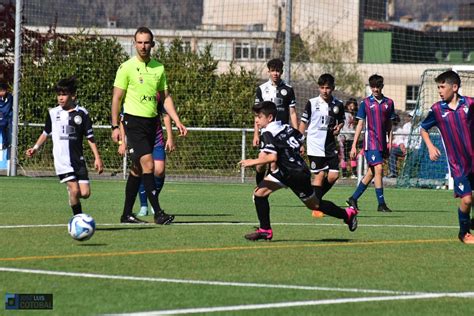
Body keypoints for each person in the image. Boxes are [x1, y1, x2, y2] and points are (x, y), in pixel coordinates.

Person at [239, 101, 358, 241]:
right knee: (259, 194)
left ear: (269, 118)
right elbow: (299, 138)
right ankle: (265, 230)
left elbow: (272, 156)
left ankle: (348, 214)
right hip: (287, 171)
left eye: (259, 117)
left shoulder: (268, 133)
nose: (256, 120)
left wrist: (252, 161)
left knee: (315, 205)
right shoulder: (285, 127)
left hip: (296, 174)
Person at [111, 26, 187, 225]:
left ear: (152, 44)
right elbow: (116, 99)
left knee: (137, 169)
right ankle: (158, 213)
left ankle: (126, 214)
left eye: (147, 42)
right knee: (148, 165)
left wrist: (177, 120)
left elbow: (165, 98)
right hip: (133, 122)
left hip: (152, 123)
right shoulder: (126, 67)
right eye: (140, 42)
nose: (143, 46)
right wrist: (115, 127)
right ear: (134, 43)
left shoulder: (159, 68)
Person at [26, 77, 104, 215]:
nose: (60, 98)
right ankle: (78, 218)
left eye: (64, 94)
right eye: (59, 94)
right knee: (75, 190)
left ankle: (73, 195)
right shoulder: (53, 113)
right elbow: (46, 133)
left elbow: (90, 137)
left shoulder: (82, 114)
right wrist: (35, 148)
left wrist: (97, 158)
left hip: (78, 160)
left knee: (85, 193)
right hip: (62, 160)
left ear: (73, 95)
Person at [420, 70, 474, 244]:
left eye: (442, 87)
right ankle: (463, 233)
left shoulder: (470, 104)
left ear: (455, 87)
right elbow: (423, 128)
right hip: (458, 165)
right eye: (438, 87)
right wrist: (430, 146)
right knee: (466, 200)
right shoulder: (437, 109)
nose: (440, 90)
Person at [118, 95, 176, 216]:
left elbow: (166, 114)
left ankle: (154, 201)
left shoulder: (156, 95)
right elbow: (122, 121)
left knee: (159, 170)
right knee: (142, 169)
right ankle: (144, 206)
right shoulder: (131, 97)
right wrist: (122, 142)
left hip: (156, 139)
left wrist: (170, 137)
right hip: (139, 139)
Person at [346, 74, 396, 212]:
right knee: (379, 169)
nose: (375, 89)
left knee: (371, 173)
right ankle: (381, 204)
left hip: (382, 143)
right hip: (371, 142)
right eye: (373, 86)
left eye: (378, 86)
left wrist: (390, 143)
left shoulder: (389, 103)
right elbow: (360, 125)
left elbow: (389, 125)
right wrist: (354, 145)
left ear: (382, 87)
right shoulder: (366, 103)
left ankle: (353, 198)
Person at [298, 73, 344, 218]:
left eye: (328, 88)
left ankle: (314, 199)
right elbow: (303, 123)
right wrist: (300, 141)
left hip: (330, 145)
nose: (325, 91)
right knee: (320, 175)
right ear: (319, 88)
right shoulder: (312, 103)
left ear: (333, 88)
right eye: (322, 88)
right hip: (314, 144)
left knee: (333, 176)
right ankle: (316, 208)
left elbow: (341, 120)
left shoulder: (338, 104)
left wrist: (339, 127)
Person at [253, 58, 298, 185]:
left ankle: (262, 192)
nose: (275, 73)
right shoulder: (261, 89)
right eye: (273, 71)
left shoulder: (288, 89)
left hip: (281, 134)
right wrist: (256, 134)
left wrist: (296, 133)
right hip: (266, 133)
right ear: (268, 72)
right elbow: (257, 114)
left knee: (274, 164)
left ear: (282, 72)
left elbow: (293, 113)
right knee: (261, 163)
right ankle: (259, 185)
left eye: (278, 71)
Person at [339, 98, 358, 179]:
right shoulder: (344, 114)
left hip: (351, 137)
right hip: (343, 137)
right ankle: (344, 174)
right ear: (347, 106)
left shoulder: (356, 115)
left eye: (352, 106)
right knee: (343, 156)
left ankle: (354, 173)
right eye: (349, 106)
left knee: (353, 156)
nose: (351, 107)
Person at [387, 113, 409, 178]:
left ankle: (393, 172)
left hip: (395, 146)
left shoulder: (399, 129)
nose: (393, 121)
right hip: (387, 145)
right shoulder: (387, 127)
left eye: (395, 120)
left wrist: (401, 145)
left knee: (391, 151)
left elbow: (400, 140)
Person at [0, 81, 13, 149]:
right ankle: (5, 143)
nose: (1, 93)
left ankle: (11, 143)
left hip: (9, 116)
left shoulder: (10, 96)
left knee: (11, 128)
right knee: (2, 126)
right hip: (2, 117)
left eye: (3, 91)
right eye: (0, 91)